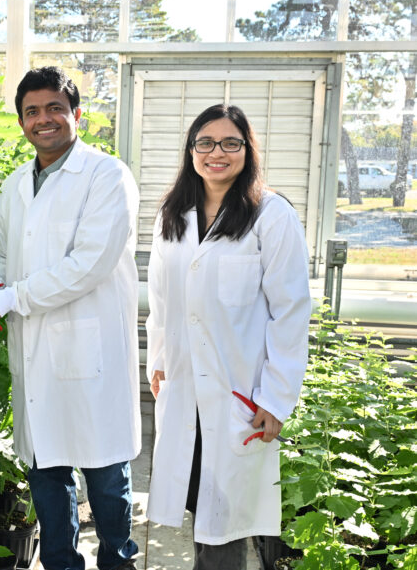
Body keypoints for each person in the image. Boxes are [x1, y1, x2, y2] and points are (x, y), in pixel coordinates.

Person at [0, 66, 141, 570]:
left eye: (55, 109)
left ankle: (117, 560)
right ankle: (61, 563)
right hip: (34, 348)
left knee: (105, 471)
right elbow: (3, 250)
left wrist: (11, 298)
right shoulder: (16, 183)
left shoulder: (107, 176)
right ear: (21, 121)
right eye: (32, 111)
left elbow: (89, 264)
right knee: (46, 469)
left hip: (92, 349)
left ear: (75, 114)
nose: (44, 120)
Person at [144, 104, 311, 569]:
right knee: (200, 502)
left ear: (247, 150)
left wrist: (277, 399)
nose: (217, 153)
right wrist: (157, 356)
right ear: (191, 151)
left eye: (230, 143)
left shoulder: (271, 215)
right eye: (206, 143)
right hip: (183, 388)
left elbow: (291, 311)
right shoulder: (173, 214)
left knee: (227, 521)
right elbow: (161, 295)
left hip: (240, 393)